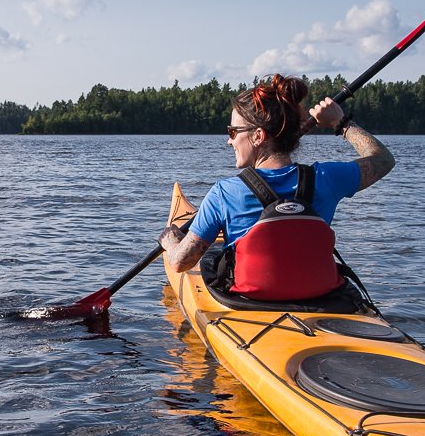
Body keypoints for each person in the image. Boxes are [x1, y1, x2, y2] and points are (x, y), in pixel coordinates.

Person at [159, 74, 395, 301]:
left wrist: (170, 241)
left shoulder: (223, 193)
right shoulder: (327, 178)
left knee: (213, 256)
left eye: (233, 131)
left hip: (250, 301)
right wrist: (342, 123)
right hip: (318, 297)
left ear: (258, 136)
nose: (228, 140)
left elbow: (181, 262)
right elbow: (383, 160)